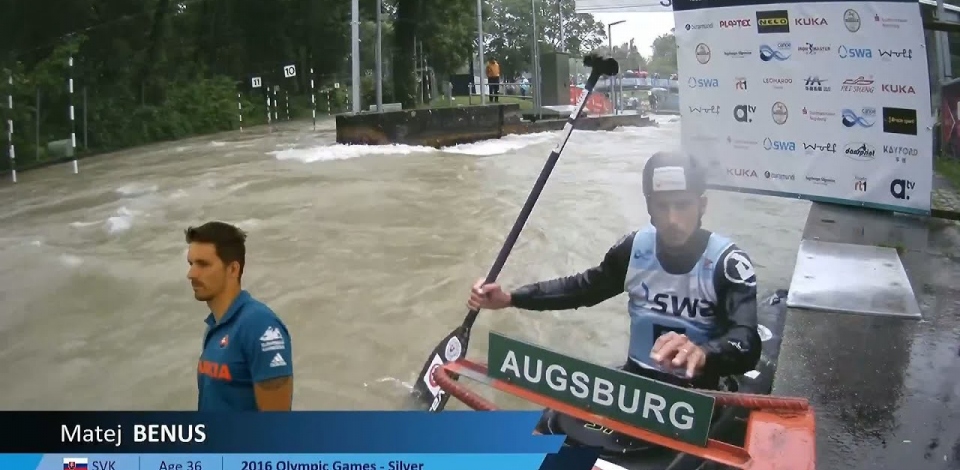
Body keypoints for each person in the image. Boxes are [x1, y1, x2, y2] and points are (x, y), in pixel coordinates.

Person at [466, 151, 761, 390]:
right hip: (637, 385)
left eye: (682, 205)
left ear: (702, 206)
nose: (672, 219)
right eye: (662, 206)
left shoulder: (727, 263)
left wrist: (705, 352)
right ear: (649, 207)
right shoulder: (633, 248)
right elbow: (582, 289)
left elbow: (746, 341)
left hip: (701, 392)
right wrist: (511, 298)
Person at [188, 221, 294, 411]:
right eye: (191, 263)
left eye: (203, 264)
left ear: (233, 269)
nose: (191, 273)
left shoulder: (260, 326)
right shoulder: (215, 326)